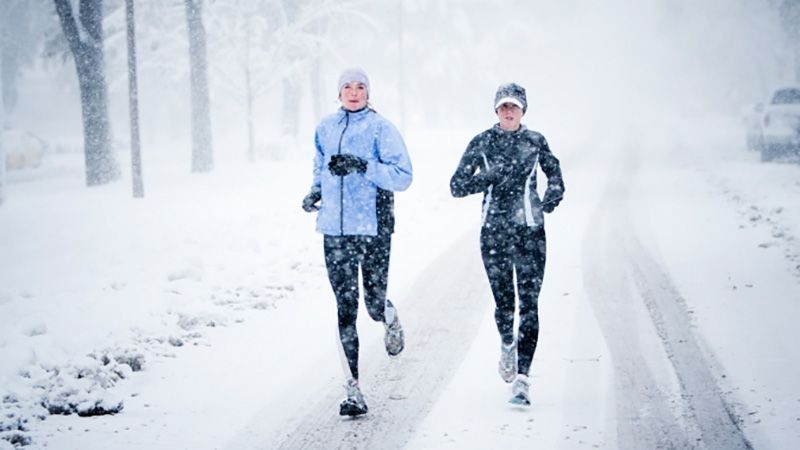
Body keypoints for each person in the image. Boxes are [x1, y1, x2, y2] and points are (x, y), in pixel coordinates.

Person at [301, 68, 413, 417]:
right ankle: (353, 390)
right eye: (347, 87)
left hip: (373, 229)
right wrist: (315, 192)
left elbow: (403, 176)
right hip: (335, 232)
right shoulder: (325, 128)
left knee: (373, 304)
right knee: (345, 308)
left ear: (368, 93)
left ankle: (388, 316)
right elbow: (320, 167)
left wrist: (363, 166)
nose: (353, 92)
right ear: (338, 93)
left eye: (360, 87)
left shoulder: (381, 129)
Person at [449, 82, 564, 406]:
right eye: (503, 106)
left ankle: (523, 379)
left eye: (514, 106)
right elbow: (456, 186)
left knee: (529, 305)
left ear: (523, 110)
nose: (509, 111)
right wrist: (487, 176)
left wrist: (553, 193)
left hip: (530, 232)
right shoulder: (482, 142)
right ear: (496, 110)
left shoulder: (535, 141)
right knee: (505, 305)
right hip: (494, 233)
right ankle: (507, 343)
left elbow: (555, 174)